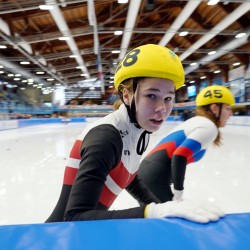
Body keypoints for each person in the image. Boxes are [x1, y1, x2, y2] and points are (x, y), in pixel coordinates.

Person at [45, 44, 224, 224]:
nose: (162, 108)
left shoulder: (137, 130)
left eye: (168, 98)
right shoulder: (105, 138)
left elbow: (130, 178)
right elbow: (75, 217)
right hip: (61, 237)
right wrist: (155, 211)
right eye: (151, 96)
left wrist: (165, 206)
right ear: (127, 95)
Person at [138, 85, 235, 203]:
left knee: (157, 219)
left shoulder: (197, 122)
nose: (231, 114)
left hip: (150, 174)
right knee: (167, 219)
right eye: (228, 108)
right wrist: (179, 192)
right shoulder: (208, 126)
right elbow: (180, 156)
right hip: (154, 177)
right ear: (215, 108)